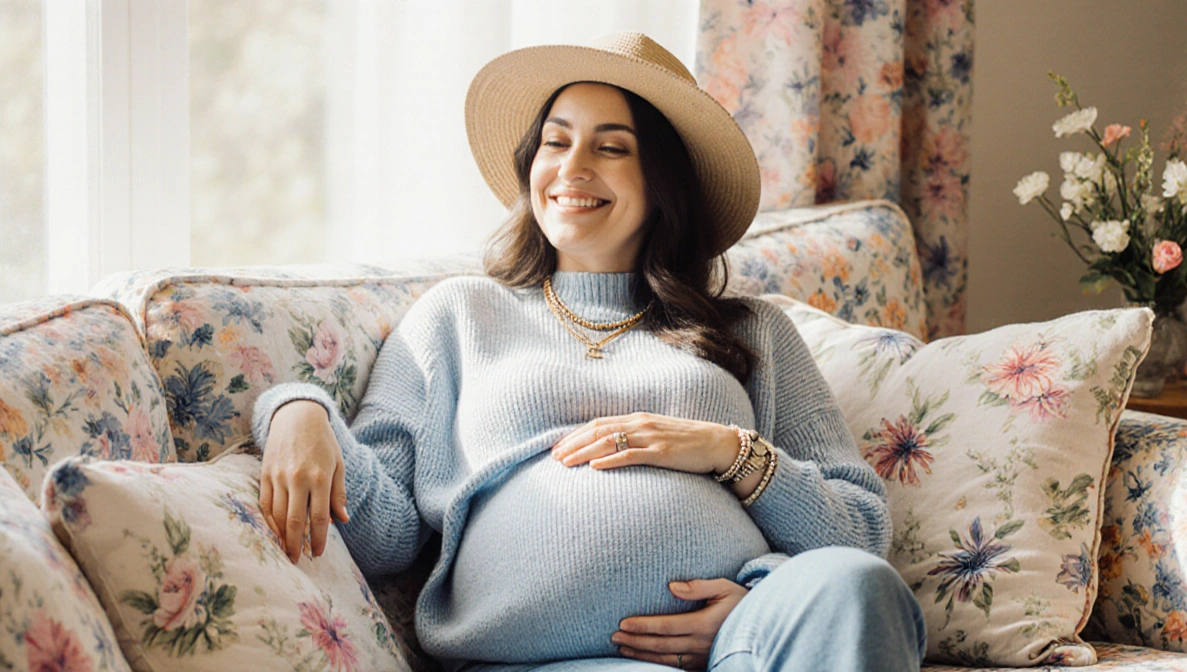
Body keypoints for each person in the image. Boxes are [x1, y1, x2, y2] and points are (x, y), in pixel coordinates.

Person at [253, 32, 926, 672]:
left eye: (611, 148)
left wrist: (732, 458)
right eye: (556, 141)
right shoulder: (459, 316)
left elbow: (858, 534)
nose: (572, 168)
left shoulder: (753, 331)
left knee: (859, 588)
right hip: (532, 658)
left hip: (739, 648)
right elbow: (385, 533)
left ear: (664, 181)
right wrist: (298, 409)